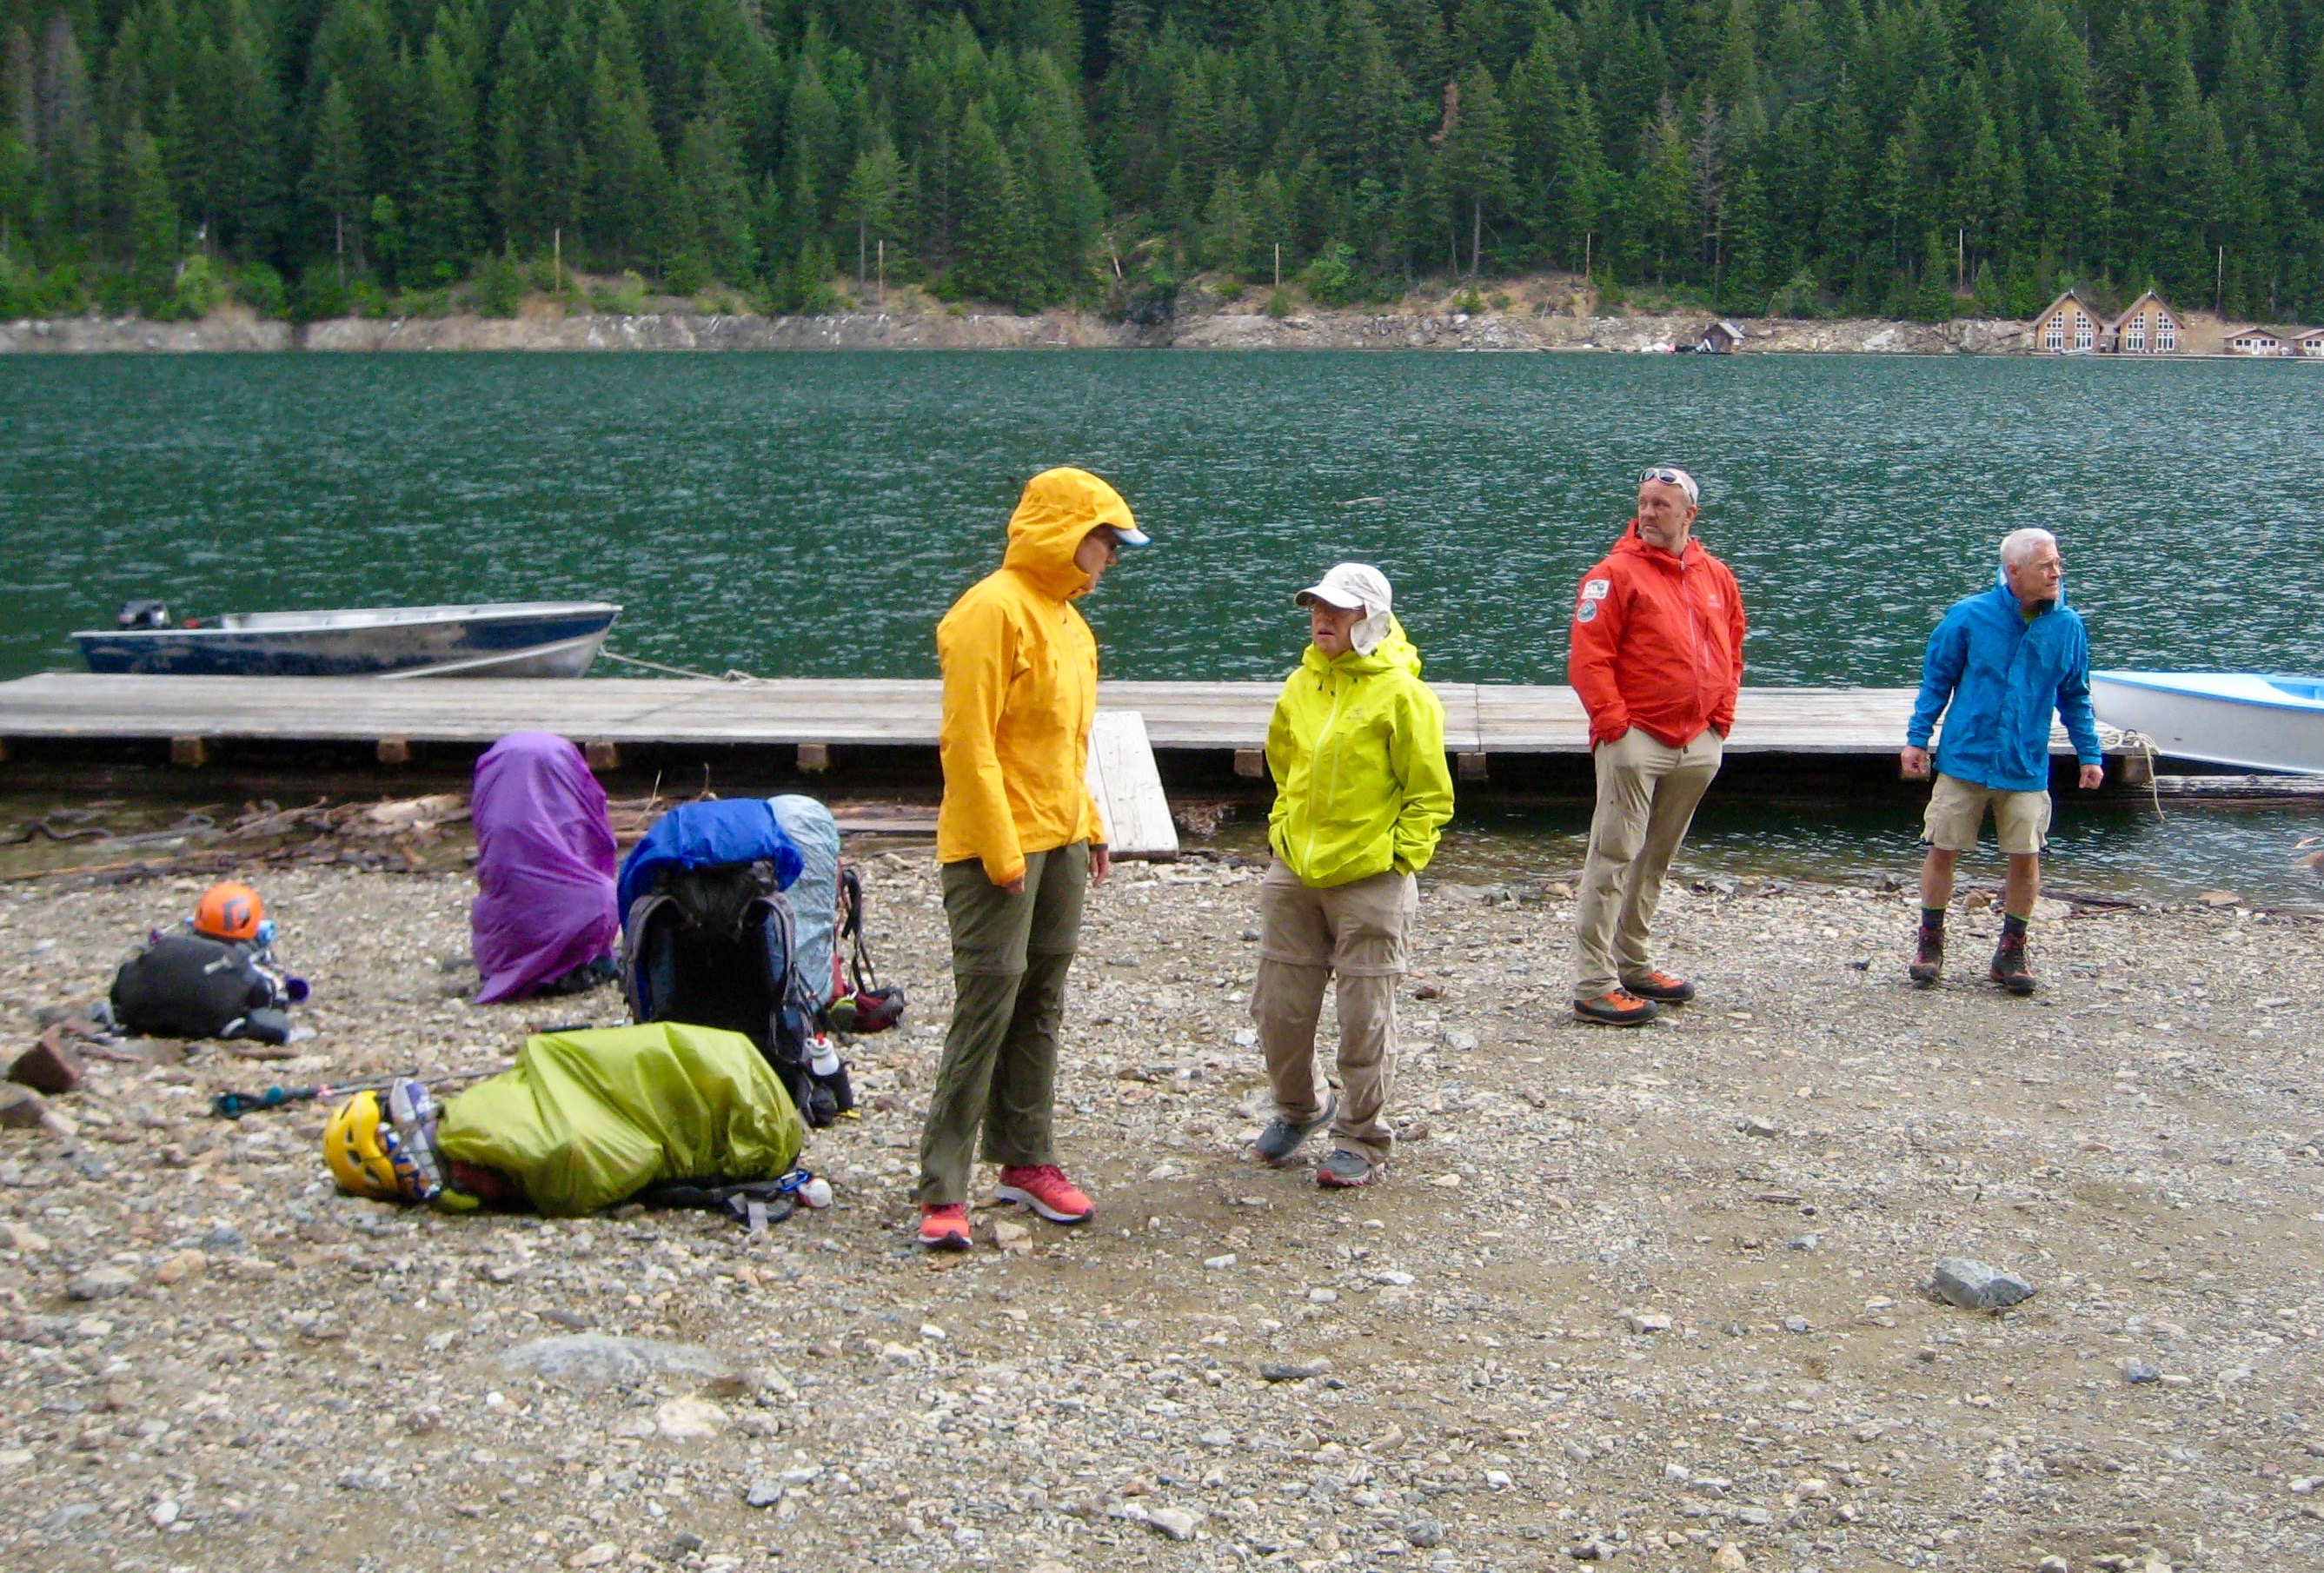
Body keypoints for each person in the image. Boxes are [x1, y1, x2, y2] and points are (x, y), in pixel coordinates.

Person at [914, 467, 1147, 1250]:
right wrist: (998, 848)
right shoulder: (991, 610)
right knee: (989, 999)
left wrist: (1091, 825)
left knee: (1042, 997)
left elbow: (1066, 746)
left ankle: (1026, 1158)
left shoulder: (1070, 623)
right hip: (996, 845)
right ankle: (942, 1188)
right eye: (1104, 541)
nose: (1111, 557)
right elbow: (968, 742)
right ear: (1066, 535)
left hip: (1060, 839)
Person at [1246, 564, 1454, 1189]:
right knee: (1278, 1012)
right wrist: (1283, 831)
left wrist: (1400, 858)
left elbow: (1430, 796)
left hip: (1371, 879)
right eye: (1317, 608)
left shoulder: (1404, 695)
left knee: (1365, 1019)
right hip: (1295, 871)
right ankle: (1304, 1109)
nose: (1323, 619)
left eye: (1338, 610)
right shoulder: (1299, 686)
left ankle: (1363, 1138)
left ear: (1371, 621)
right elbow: (1282, 767)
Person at [1567, 466, 1748, 1026]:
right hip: (1635, 737)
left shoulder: (1715, 576)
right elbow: (1588, 657)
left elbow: (1733, 648)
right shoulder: (1612, 575)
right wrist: (1615, 725)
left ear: (1689, 515)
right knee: (1614, 855)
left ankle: (1635, 962)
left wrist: (1721, 719)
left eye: (1661, 506)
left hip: (1698, 739)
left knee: (1657, 857)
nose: (1648, 514)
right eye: (1643, 503)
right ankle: (1593, 983)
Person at [1901, 528, 2104, 994]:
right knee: (1943, 847)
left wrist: (2089, 753)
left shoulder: (2067, 626)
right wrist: (1917, 739)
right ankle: (1930, 941)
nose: (2057, 572)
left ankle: (2012, 950)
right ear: (2014, 571)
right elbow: (1937, 682)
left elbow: (2075, 696)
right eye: (2046, 565)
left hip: (2025, 762)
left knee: (2026, 856)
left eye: (2057, 563)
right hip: (1965, 758)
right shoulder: (1968, 617)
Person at [470, 732, 620, 1004]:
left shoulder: (493, 805)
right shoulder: (568, 803)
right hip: (567, 928)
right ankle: (579, 962)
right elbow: (597, 847)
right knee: (602, 895)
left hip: (499, 946)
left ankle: (516, 966)